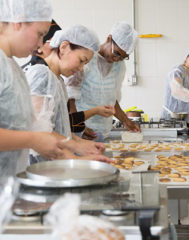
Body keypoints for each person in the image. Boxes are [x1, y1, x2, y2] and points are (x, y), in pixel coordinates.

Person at [25, 25, 112, 164]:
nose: (81, 68)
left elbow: (59, 129)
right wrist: (76, 159)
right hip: (40, 168)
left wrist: (80, 142)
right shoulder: (41, 76)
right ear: (64, 47)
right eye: (81, 60)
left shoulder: (57, 80)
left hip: (54, 166)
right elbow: (38, 131)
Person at [0, 0, 68, 175]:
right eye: (40, 34)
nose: (40, 44)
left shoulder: (13, 68)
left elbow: (23, 124)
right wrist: (33, 139)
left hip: (10, 184)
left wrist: (73, 148)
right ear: (18, 22)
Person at [66, 21, 140, 142]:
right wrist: (78, 126)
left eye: (123, 57)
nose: (117, 59)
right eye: (116, 53)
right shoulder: (87, 59)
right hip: (82, 132)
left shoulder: (119, 67)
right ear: (109, 39)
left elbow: (112, 99)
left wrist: (126, 121)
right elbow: (70, 98)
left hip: (103, 131)